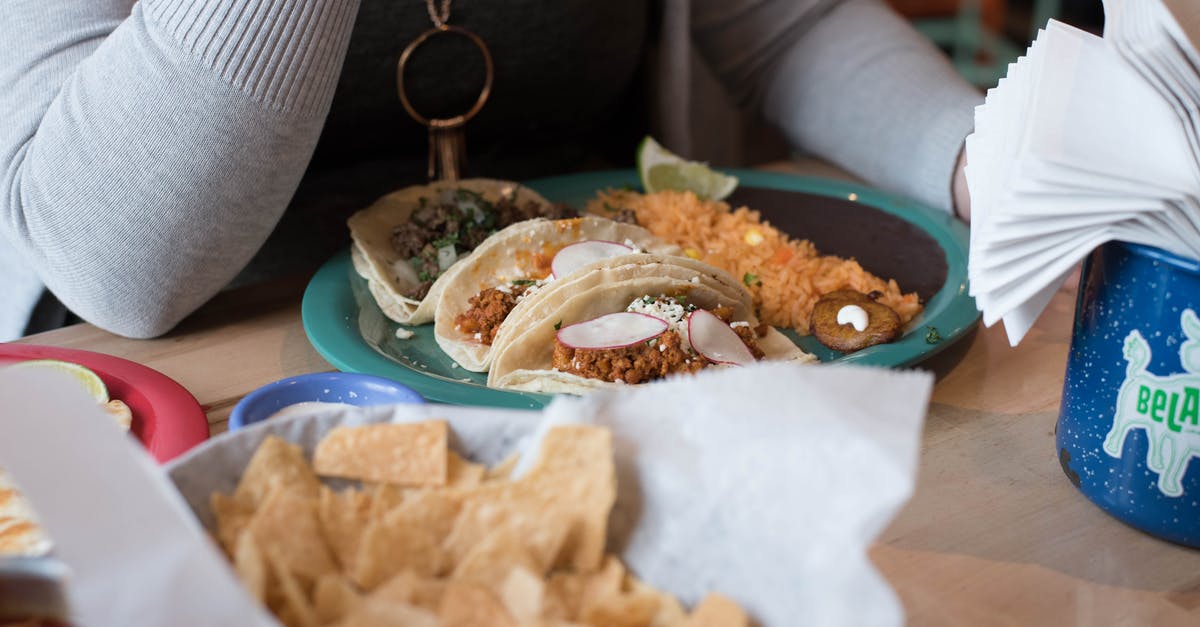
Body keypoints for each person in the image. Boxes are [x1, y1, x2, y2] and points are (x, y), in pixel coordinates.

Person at [0, 0, 980, 341]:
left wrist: (991, 161)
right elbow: (111, 260)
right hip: (216, 376)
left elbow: (784, 21)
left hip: (607, 353)